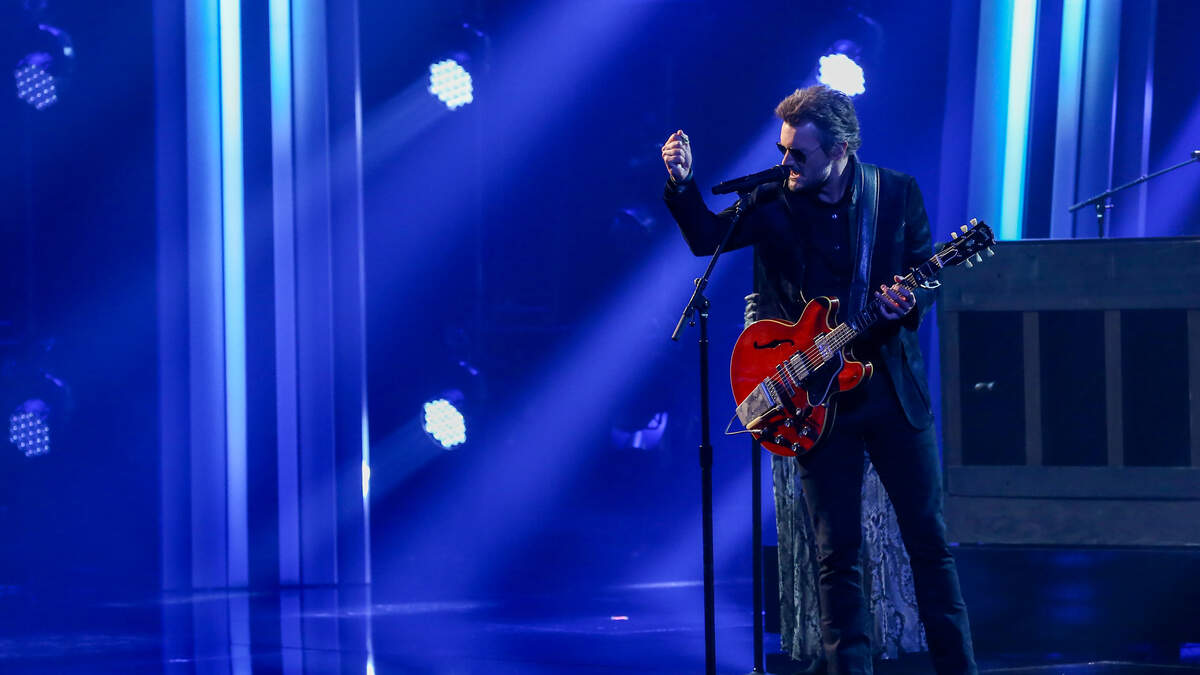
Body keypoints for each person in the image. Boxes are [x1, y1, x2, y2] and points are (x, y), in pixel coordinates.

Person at [660, 85, 977, 675]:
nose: (786, 163)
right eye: (782, 150)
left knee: (929, 545)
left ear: (839, 150)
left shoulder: (895, 193)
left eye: (798, 154)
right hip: (815, 399)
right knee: (836, 556)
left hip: (890, 392)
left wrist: (907, 301)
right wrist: (682, 183)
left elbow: (927, 277)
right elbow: (706, 238)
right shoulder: (773, 202)